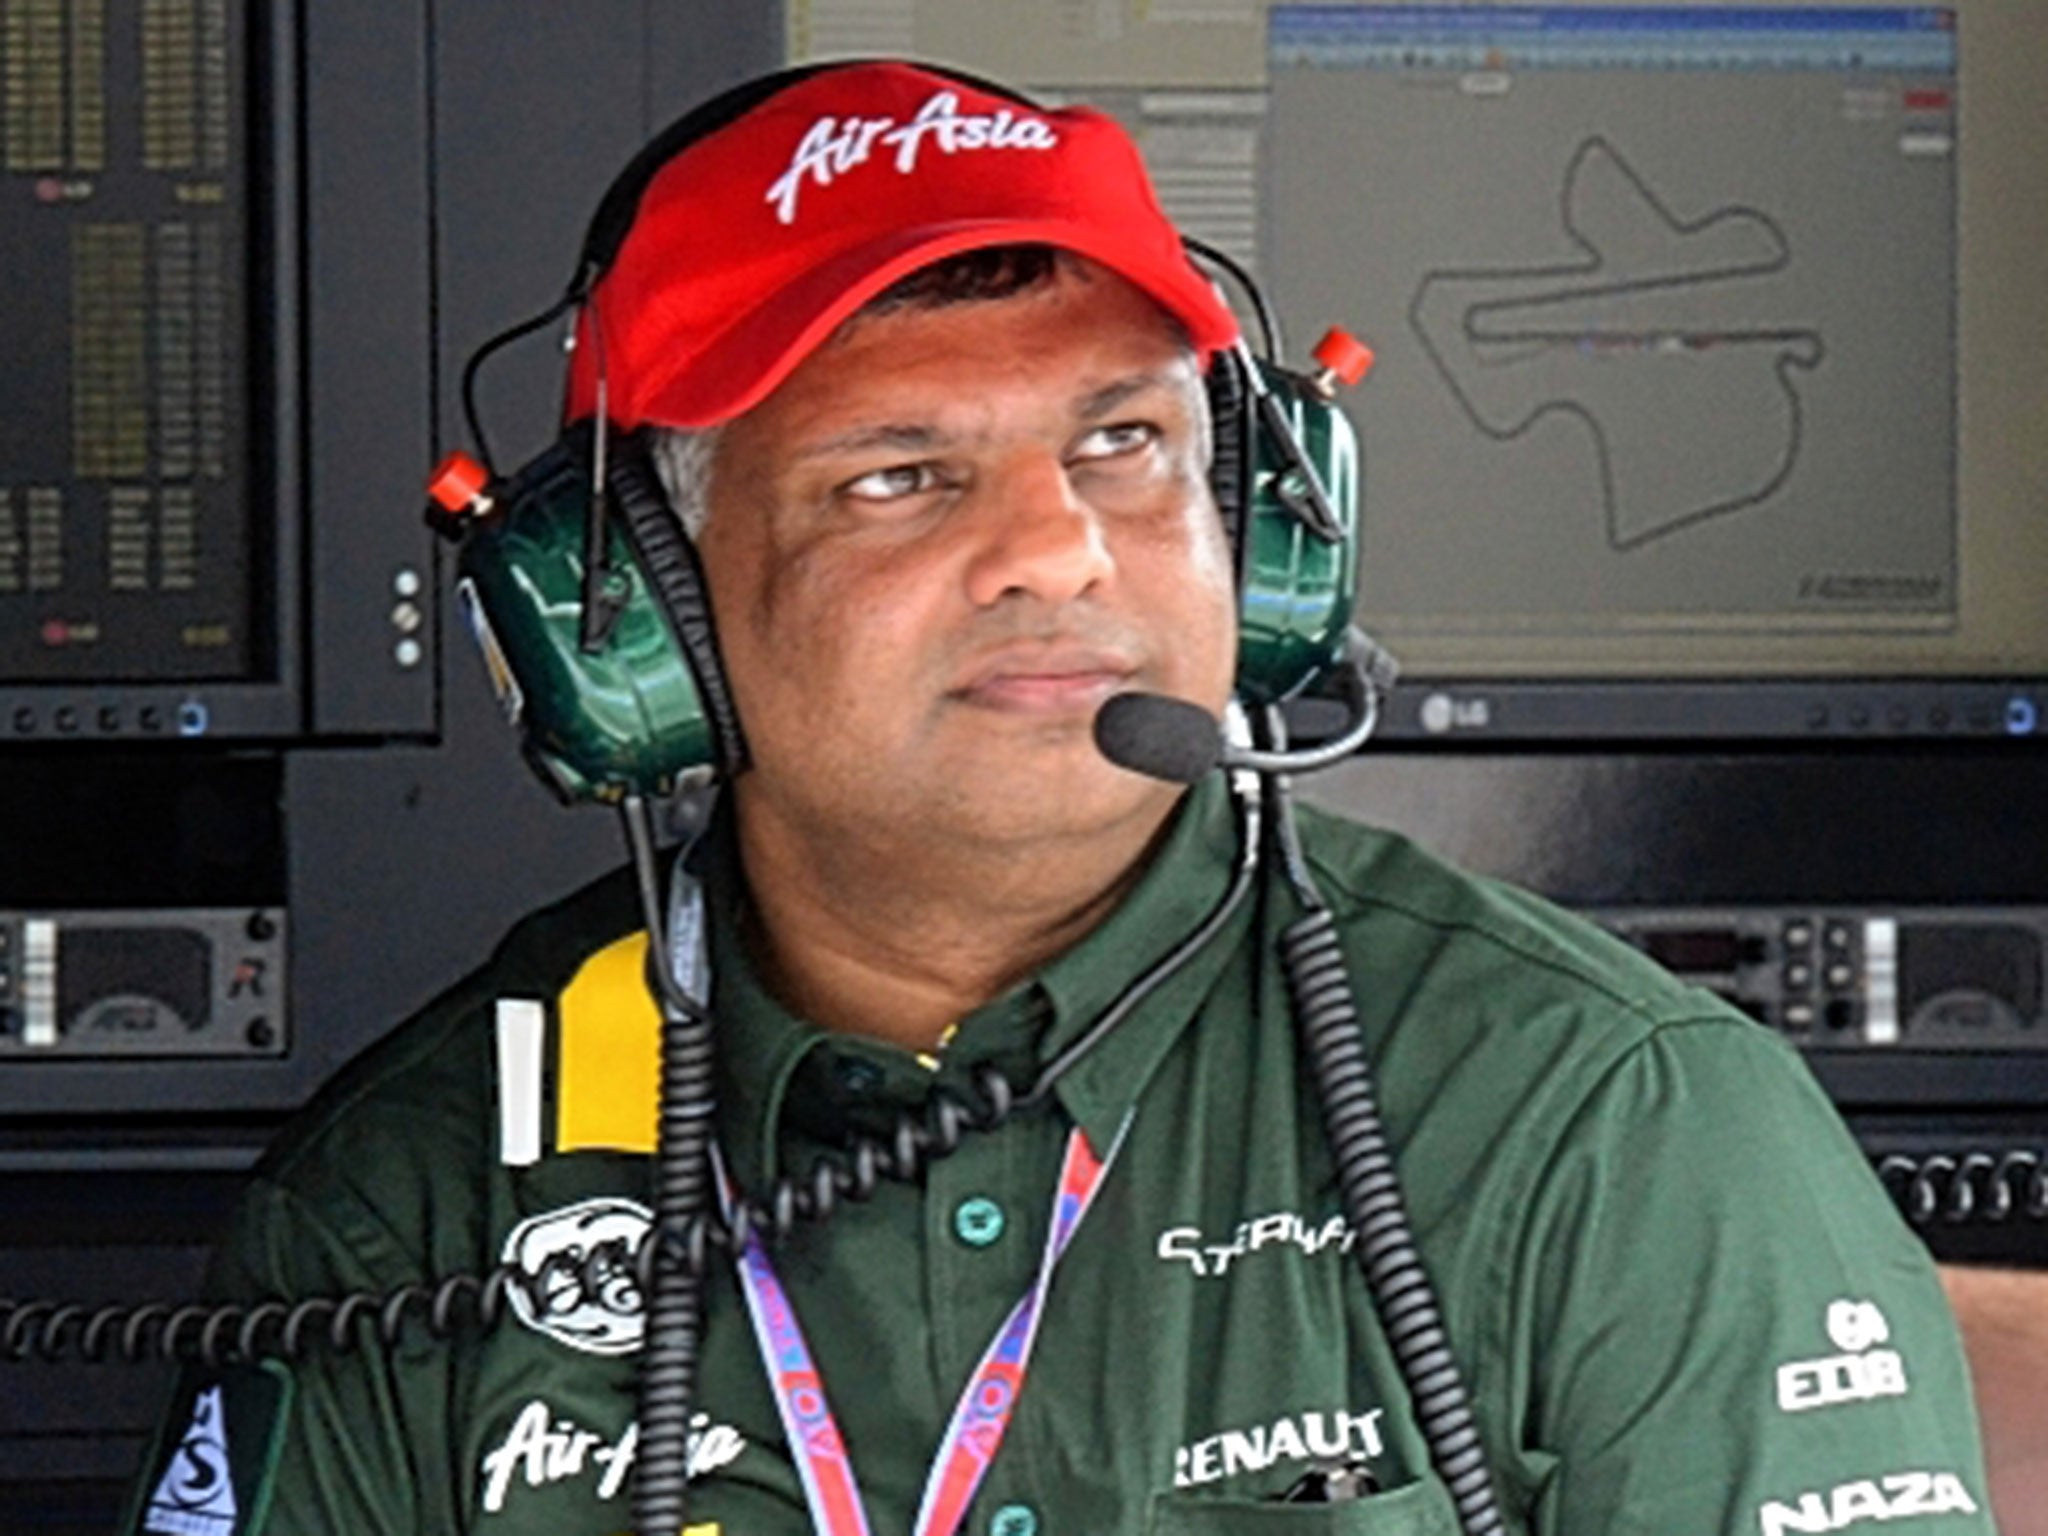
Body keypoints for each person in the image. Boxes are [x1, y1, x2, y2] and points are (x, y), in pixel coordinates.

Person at [123, 60, 1993, 1536]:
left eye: (1125, 444)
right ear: (630, 621)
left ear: (1265, 536)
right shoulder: (404, 1217)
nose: (1064, 554)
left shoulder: (1612, 1126)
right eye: (899, 476)